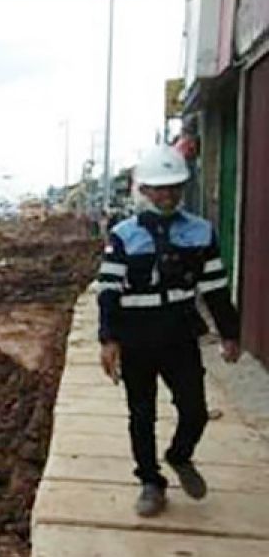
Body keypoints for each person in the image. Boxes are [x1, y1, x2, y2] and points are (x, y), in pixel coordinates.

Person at [96, 145, 241, 517]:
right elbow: (109, 290)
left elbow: (215, 287)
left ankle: (179, 455)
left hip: (178, 337)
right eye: (158, 189)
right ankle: (150, 482)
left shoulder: (200, 233)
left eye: (174, 187)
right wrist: (108, 340)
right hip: (136, 339)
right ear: (143, 191)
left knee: (195, 411)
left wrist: (230, 333)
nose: (167, 196)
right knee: (141, 414)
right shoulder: (124, 236)